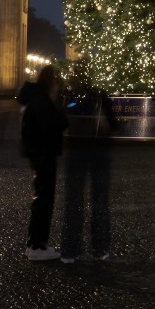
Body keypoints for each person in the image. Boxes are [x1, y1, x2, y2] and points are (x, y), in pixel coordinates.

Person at [19, 65, 69, 262]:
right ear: (52, 80)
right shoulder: (42, 99)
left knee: (41, 198)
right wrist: (62, 117)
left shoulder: (35, 96)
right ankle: (37, 246)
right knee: (44, 200)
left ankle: (34, 244)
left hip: (38, 153)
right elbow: (49, 125)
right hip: (43, 154)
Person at [59, 84, 113, 264]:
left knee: (73, 201)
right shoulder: (100, 94)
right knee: (100, 201)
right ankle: (101, 249)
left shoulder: (70, 95)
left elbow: (60, 120)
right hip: (98, 151)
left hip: (74, 149)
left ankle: (69, 251)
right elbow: (113, 123)